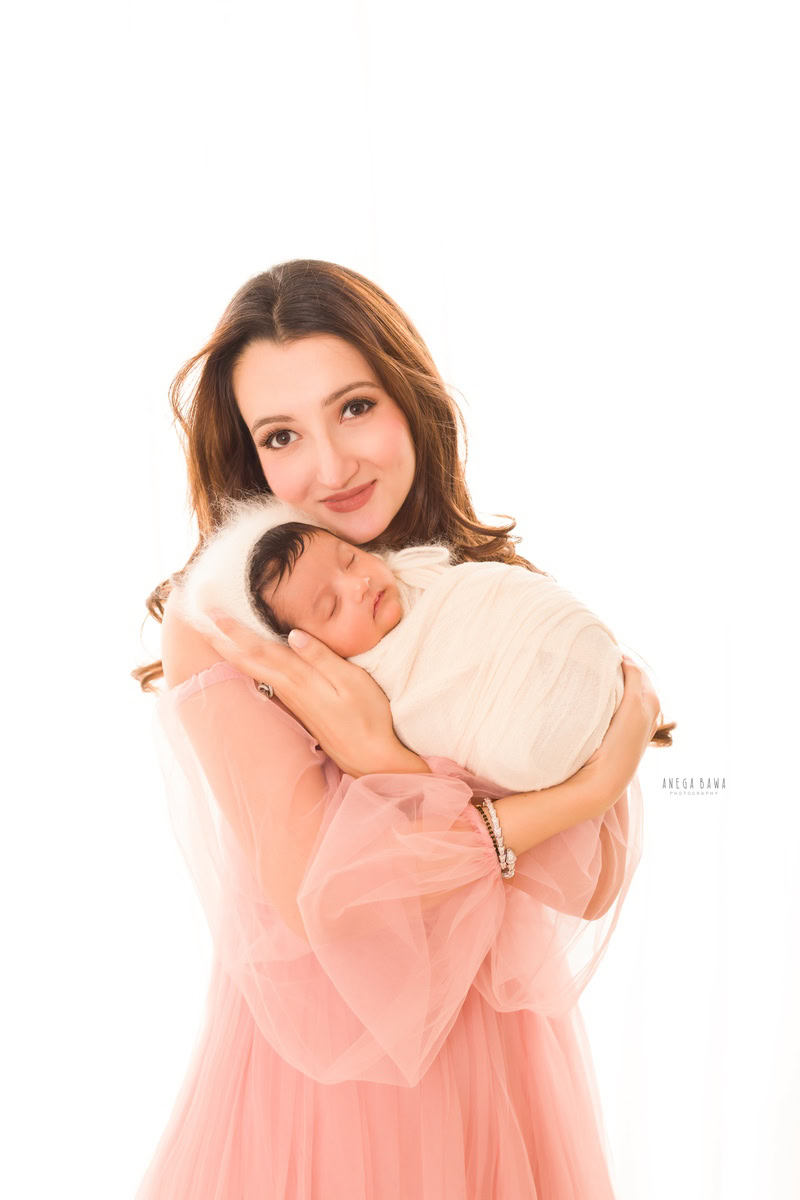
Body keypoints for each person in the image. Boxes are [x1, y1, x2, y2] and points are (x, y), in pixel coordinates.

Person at [132, 259, 663, 1199]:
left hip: (497, 1066)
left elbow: (593, 881)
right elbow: (323, 903)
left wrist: (410, 775)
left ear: (409, 399)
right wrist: (572, 788)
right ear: (250, 457)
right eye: (282, 434)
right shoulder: (227, 623)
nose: (331, 467)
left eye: (354, 408)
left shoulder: (474, 589)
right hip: (332, 1083)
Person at [171, 492, 675, 795]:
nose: (358, 585)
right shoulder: (365, 684)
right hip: (524, 735)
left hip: (574, 653)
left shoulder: (424, 574)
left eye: (349, 559)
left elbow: (488, 596)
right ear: (308, 648)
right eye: (329, 607)